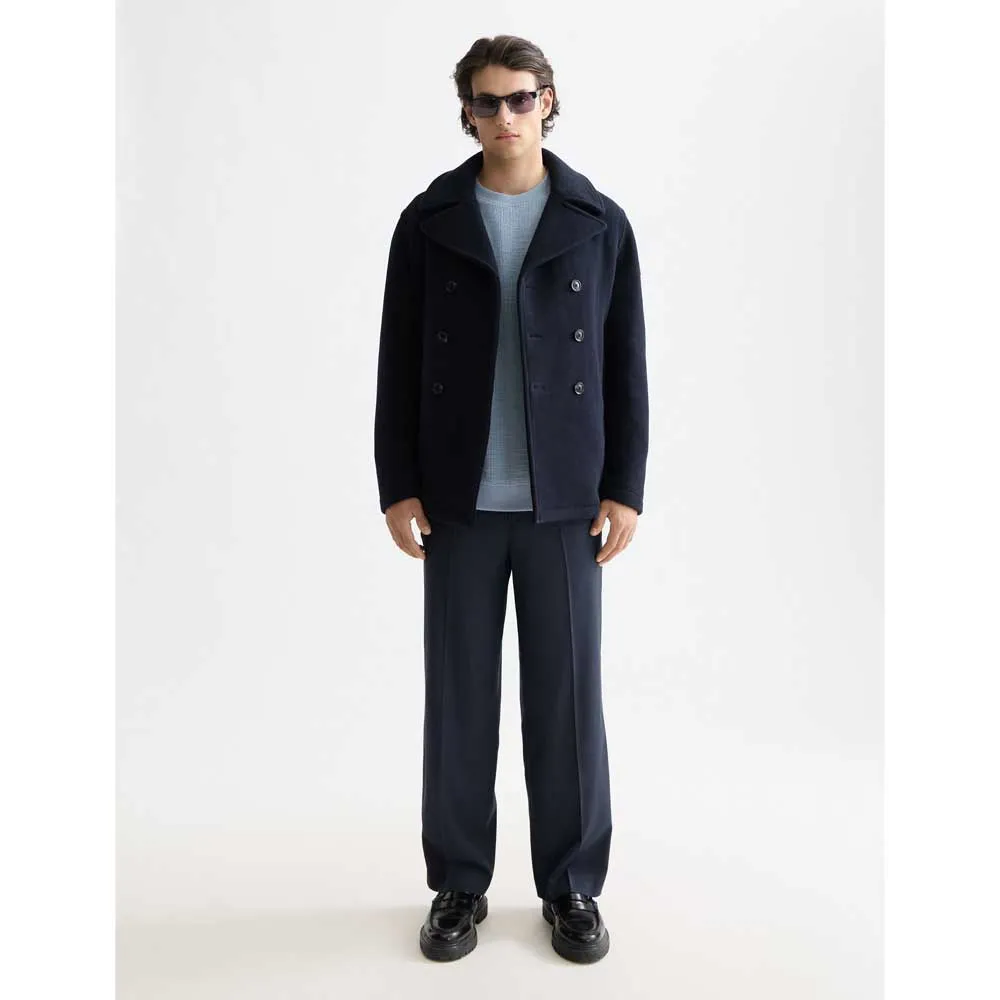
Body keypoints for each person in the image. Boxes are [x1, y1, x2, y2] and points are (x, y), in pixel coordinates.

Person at [373, 34, 648, 964]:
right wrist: (398, 484)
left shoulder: (597, 222)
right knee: (459, 699)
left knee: (567, 700)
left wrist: (624, 487)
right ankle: (458, 882)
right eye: (487, 102)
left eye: (520, 98)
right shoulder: (429, 221)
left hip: (565, 502)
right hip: (457, 501)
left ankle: (571, 886)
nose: (504, 116)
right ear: (467, 111)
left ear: (549, 102)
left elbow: (625, 363)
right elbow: (397, 360)